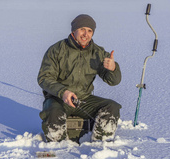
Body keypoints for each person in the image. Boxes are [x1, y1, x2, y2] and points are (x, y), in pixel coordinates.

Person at [37, 14, 122, 142]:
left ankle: (100, 145)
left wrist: (113, 69)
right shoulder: (57, 50)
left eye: (89, 31)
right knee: (53, 112)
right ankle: (58, 151)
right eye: (82, 29)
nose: (85, 34)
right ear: (74, 30)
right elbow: (44, 78)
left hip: (83, 99)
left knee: (112, 107)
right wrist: (63, 92)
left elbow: (114, 81)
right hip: (58, 98)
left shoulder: (97, 53)